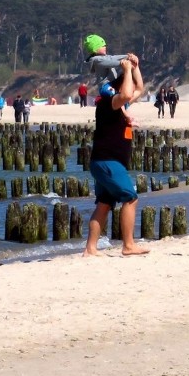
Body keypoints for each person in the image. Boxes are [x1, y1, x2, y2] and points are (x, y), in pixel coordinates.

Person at [83, 56, 149, 257]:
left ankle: (90, 249)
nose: (128, 94)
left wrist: (135, 67)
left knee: (104, 204)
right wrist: (126, 70)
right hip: (107, 161)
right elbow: (128, 92)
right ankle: (128, 245)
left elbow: (139, 88)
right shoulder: (108, 103)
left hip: (106, 161)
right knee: (130, 197)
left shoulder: (122, 106)